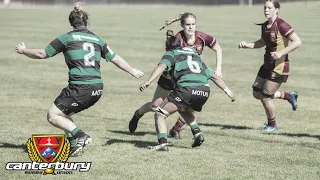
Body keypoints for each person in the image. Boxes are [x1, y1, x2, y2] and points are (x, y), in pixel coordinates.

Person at [14, 3, 144, 156]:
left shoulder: (67, 37)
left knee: (53, 115)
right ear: (86, 22)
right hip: (97, 88)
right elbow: (115, 58)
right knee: (63, 113)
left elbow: (42, 54)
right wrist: (132, 70)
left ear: (71, 22)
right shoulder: (97, 39)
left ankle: (81, 136)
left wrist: (23, 51)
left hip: (80, 87)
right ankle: (75, 145)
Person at [129, 12, 223, 138]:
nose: (191, 27)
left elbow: (218, 48)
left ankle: (175, 129)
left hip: (188, 80)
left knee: (191, 106)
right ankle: (138, 114)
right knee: (155, 106)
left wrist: (218, 69)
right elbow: (167, 61)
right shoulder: (178, 39)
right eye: (188, 24)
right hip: (170, 78)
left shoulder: (202, 37)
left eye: (193, 24)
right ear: (182, 26)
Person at [139, 36, 234, 151]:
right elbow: (213, 76)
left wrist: (149, 81)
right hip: (204, 91)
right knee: (183, 109)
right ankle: (197, 133)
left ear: (167, 48)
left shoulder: (171, 53)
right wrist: (228, 92)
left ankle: (163, 144)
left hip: (186, 89)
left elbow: (162, 66)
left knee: (160, 113)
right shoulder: (194, 55)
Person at [239, 0, 301, 131]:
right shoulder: (265, 26)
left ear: (276, 10)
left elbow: (297, 41)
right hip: (267, 64)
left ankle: (272, 125)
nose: (266, 10)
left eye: (269, 8)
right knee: (257, 93)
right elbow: (262, 42)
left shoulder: (282, 25)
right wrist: (247, 45)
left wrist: (281, 53)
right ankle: (289, 96)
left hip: (279, 67)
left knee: (266, 96)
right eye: (264, 8)